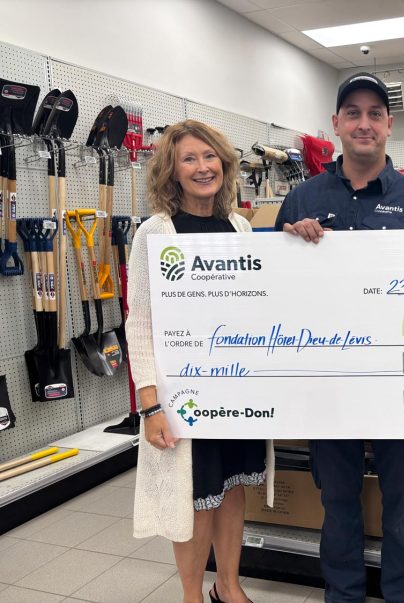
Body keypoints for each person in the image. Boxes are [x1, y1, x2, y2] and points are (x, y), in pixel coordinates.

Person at [274, 73, 404, 602]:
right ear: (336, 125)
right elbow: (275, 291)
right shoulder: (302, 199)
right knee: (339, 502)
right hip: (330, 384)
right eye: (353, 113)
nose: (364, 123)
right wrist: (286, 245)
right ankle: (342, 596)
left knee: (400, 505)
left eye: (375, 113)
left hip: (400, 384)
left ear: (390, 125)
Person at [127, 120, 273, 603]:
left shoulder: (240, 227)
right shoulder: (155, 233)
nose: (202, 167)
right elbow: (140, 321)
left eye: (210, 157)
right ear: (171, 170)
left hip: (235, 391)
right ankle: (192, 595)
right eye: (189, 159)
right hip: (184, 395)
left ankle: (228, 586)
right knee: (194, 496)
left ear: (225, 164)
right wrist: (150, 406)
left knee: (232, 488)